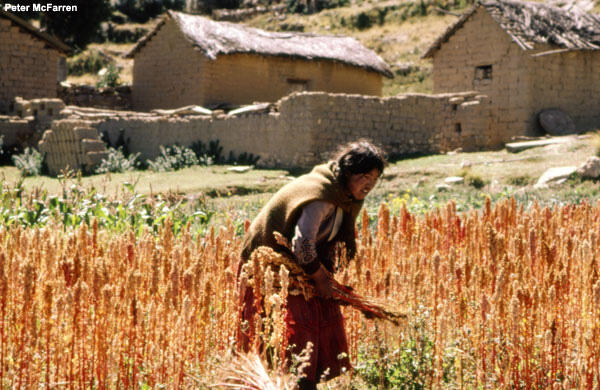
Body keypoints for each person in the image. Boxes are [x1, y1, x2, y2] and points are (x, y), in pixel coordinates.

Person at [237, 139, 386, 389]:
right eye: (363, 176)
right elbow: (302, 244)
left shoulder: (347, 198)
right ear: (347, 173)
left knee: (321, 314)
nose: (369, 184)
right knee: (292, 326)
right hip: (266, 264)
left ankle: (306, 381)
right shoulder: (322, 195)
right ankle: (294, 381)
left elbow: (323, 242)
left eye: (374, 178)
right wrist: (320, 279)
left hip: (297, 264)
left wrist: (326, 275)